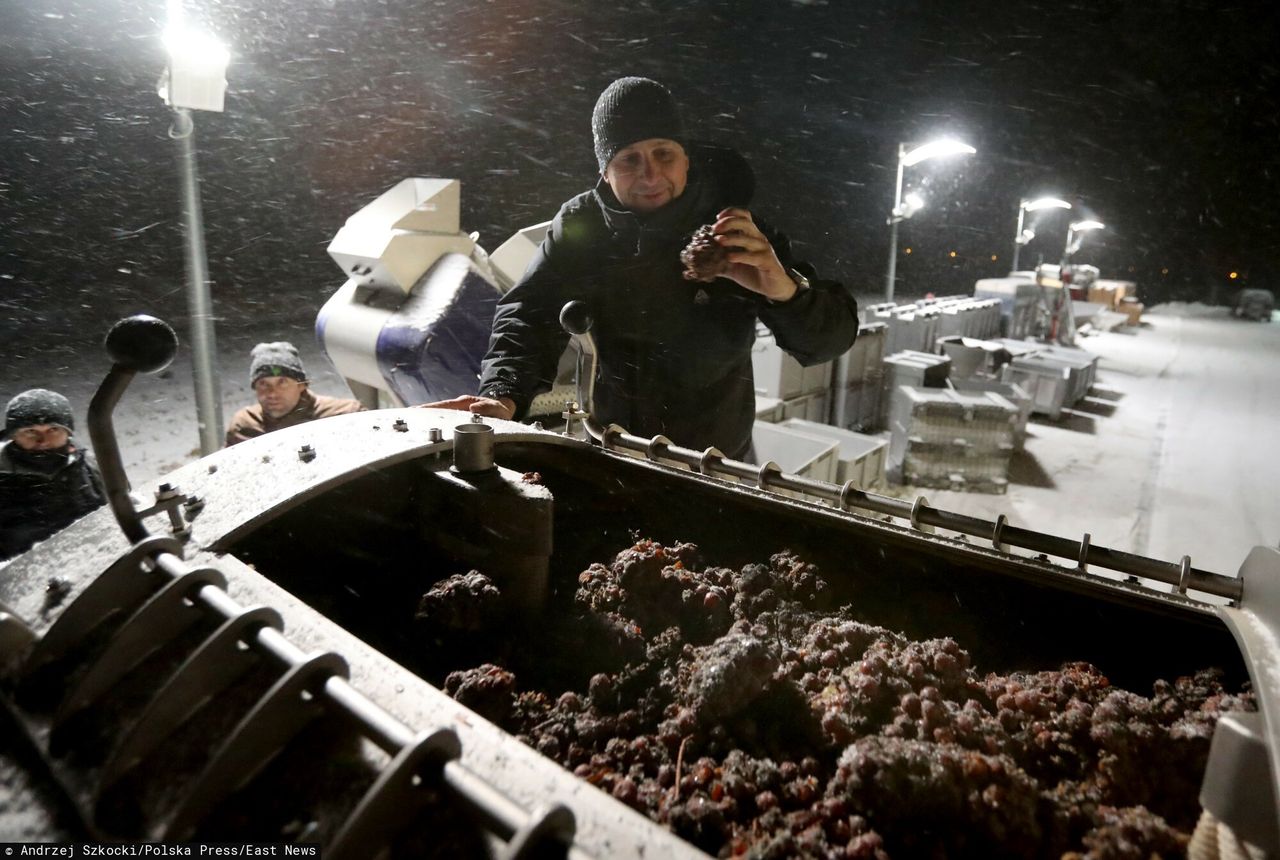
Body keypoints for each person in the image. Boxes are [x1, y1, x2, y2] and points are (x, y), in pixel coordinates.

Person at [428, 76, 858, 460]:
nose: (650, 174)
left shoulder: (738, 231)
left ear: (686, 158)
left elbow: (830, 340)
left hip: (717, 455)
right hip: (617, 444)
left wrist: (784, 290)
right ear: (604, 171)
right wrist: (503, 393)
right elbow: (529, 312)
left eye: (663, 153)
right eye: (628, 159)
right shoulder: (582, 227)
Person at [0, 388, 106, 561]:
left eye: (53, 429)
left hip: (93, 563)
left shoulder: (89, 465)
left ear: (68, 433)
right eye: (30, 431)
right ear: (14, 436)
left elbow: (123, 507)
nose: (42, 440)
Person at [225, 342, 365, 446]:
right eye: (263, 384)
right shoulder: (245, 426)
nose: (272, 393)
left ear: (302, 385)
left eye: (282, 382)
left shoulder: (344, 415)